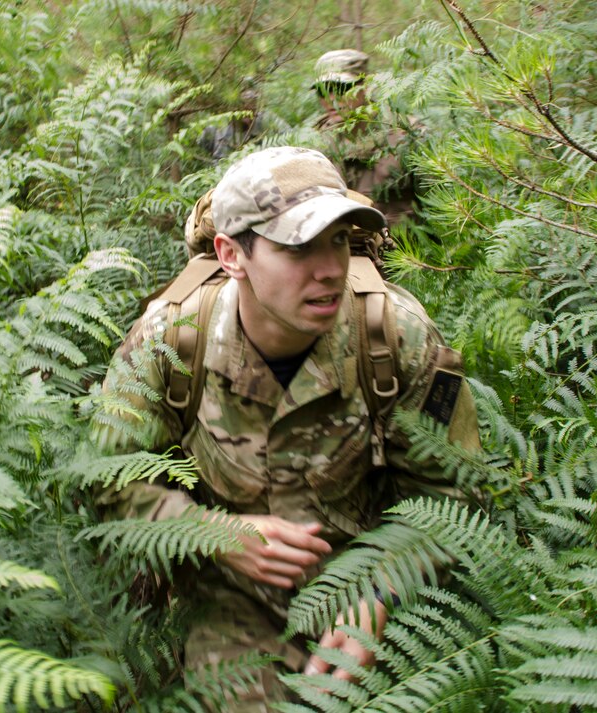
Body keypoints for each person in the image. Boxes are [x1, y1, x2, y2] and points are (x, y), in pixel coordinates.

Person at [92, 146, 480, 710]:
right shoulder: (169, 342)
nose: (329, 269)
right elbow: (108, 481)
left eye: (340, 241)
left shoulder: (395, 337)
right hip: (234, 598)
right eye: (298, 246)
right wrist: (210, 534)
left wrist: (380, 586)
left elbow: (456, 499)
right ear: (231, 254)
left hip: (374, 587)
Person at [313, 49, 417, 227]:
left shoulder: (406, 133)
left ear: (366, 86)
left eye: (341, 88)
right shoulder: (318, 141)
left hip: (401, 249)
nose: (331, 99)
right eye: (323, 91)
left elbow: (437, 206)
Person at [200, 82, 291, 161]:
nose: (249, 109)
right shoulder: (214, 130)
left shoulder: (267, 120)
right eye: (243, 104)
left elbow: (292, 137)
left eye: (253, 103)